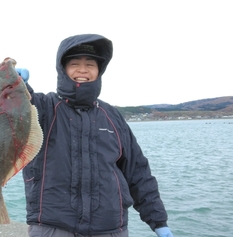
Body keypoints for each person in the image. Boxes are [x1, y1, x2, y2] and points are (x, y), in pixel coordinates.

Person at [15, 34, 174, 237]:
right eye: (75, 64)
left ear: (99, 70)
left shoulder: (113, 116)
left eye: (90, 64)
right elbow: (14, 106)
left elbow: (138, 172)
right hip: (52, 226)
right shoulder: (44, 108)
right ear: (63, 69)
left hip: (110, 228)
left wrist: (158, 221)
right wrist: (12, 83)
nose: (83, 70)